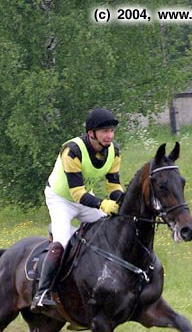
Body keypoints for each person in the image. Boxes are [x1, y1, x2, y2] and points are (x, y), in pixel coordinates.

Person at [31, 107, 124, 311]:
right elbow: (76, 194)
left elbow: (113, 186)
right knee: (62, 242)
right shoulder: (72, 150)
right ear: (91, 133)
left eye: (111, 131)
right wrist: (102, 204)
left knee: (109, 230)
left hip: (84, 199)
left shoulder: (114, 151)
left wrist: (122, 201)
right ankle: (42, 292)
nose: (109, 135)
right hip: (61, 200)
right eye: (104, 131)